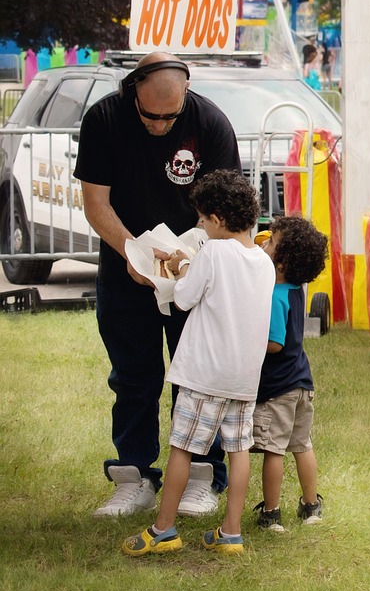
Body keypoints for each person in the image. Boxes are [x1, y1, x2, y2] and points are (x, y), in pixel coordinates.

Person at [77, 53, 242, 519]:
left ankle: (201, 477)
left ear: (186, 93)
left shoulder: (210, 123)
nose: (161, 124)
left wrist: (187, 255)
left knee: (198, 379)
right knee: (133, 378)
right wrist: (134, 254)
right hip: (125, 272)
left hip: (194, 271)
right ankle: (133, 477)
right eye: (151, 114)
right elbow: (95, 202)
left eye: (171, 116)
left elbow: (221, 206)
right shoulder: (104, 120)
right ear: (133, 91)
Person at [121, 170, 274, 558]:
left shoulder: (213, 251)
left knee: (182, 449)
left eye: (202, 219)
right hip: (242, 379)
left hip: (205, 375)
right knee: (238, 452)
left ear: (218, 220)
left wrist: (183, 263)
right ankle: (231, 533)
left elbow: (184, 298)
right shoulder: (263, 261)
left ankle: (162, 529)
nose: (199, 226)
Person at [252, 214, 328, 532]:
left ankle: (271, 514)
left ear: (281, 264)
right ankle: (311, 506)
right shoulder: (296, 288)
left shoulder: (274, 295)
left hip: (278, 387)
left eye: (270, 242)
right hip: (301, 383)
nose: (264, 242)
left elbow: (273, 344)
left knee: (274, 450)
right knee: (302, 445)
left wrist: (246, 340)